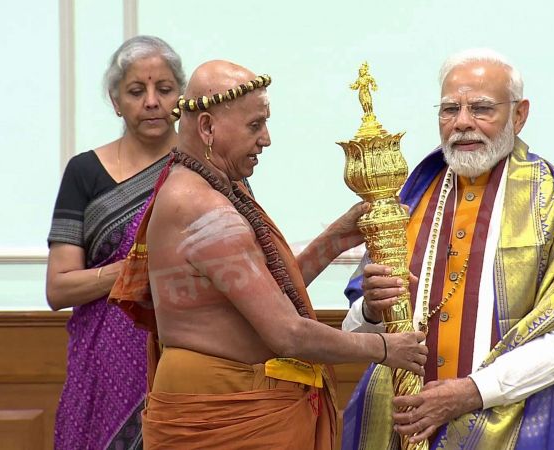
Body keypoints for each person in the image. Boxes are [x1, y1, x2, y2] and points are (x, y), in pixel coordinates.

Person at [108, 59, 428, 449]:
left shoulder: (214, 190)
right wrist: (385, 347)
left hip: (238, 406)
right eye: (255, 125)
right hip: (224, 414)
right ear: (207, 127)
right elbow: (287, 333)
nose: (267, 139)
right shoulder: (201, 208)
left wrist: (335, 239)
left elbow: (267, 292)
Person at [341, 48, 554, 450]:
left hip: (514, 424)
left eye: (481, 108)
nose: (462, 123)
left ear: (519, 115)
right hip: (402, 422)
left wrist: (472, 391)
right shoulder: (407, 199)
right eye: (450, 110)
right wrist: (371, 310)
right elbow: (355, 329)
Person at [45, 35, 186, 450]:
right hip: (102, 363)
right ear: (115, 99)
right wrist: (132, 272)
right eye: (136, 91)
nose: (152, 102)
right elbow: (58, 287)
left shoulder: (204, 170)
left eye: (164, 89)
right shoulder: (84, 172)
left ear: (182, 96)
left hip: (186, 356)